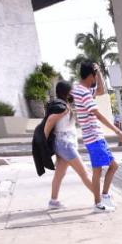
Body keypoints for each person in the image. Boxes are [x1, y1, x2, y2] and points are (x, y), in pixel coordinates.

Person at [73, 61, 122, 213]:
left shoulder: (82, 89)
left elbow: (101, 90)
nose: (95, 79)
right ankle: (98, 203)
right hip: (94, 137)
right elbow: (98, 116)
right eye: (94, 75)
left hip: (95, 137)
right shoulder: (83, 93)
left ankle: (104, 197)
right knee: (98, 171)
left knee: (112, 166)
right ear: (90, 76)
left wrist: (98, 72)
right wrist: (118, 132)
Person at [42, 80, 92, 209]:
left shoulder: (64, 104)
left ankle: (53, 201)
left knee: (60, 174)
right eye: (71, 90)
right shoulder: (62, 107)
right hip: (65, 144)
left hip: (64, 143)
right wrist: (44, 140)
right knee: (84, 173)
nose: (73, 92)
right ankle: (101, 198)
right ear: (67, 91)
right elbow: (50, 121)